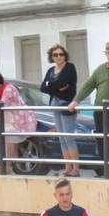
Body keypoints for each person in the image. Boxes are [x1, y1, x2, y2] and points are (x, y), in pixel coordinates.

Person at [69, 42, 109, 179]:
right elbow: (88, 85)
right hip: (100, 111)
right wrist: (76, 101)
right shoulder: (100, 69)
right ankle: (106, 170)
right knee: (102, 141)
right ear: (106, 55)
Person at [0, 70, 36, 169]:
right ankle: (12, 167)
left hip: (18, 120)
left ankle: (7, 166)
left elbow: (3, 103)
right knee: (9, 142)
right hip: (6, 121)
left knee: (10, 142)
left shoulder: (9, 88)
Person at [41, 43, 79, 177]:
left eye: (61, 54)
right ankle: (67, 167)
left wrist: (51, 85)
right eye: (55, 55)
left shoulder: (70, 67)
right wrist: (56, 87)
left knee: (69, 137)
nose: (58, 57)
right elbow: (42, 87)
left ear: (65, 55)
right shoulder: (51, 70)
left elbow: (64, 81)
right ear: (52, 57)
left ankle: (76, 168)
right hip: (54, 103)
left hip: (66, 104)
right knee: (61, 138)